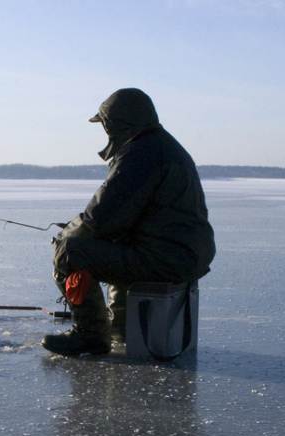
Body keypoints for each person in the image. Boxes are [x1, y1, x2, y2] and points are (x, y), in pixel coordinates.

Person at [41, 88, 215, 356]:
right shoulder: (162, 145)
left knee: (69, 252)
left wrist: (69, 234)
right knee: (113, 244)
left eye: (106, 124)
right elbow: (124, 216)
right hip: (183, 255)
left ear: (118, 122)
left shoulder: (140, 153)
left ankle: (91, 336)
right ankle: (121, 329)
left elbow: (102, 217)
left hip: (165, 258)